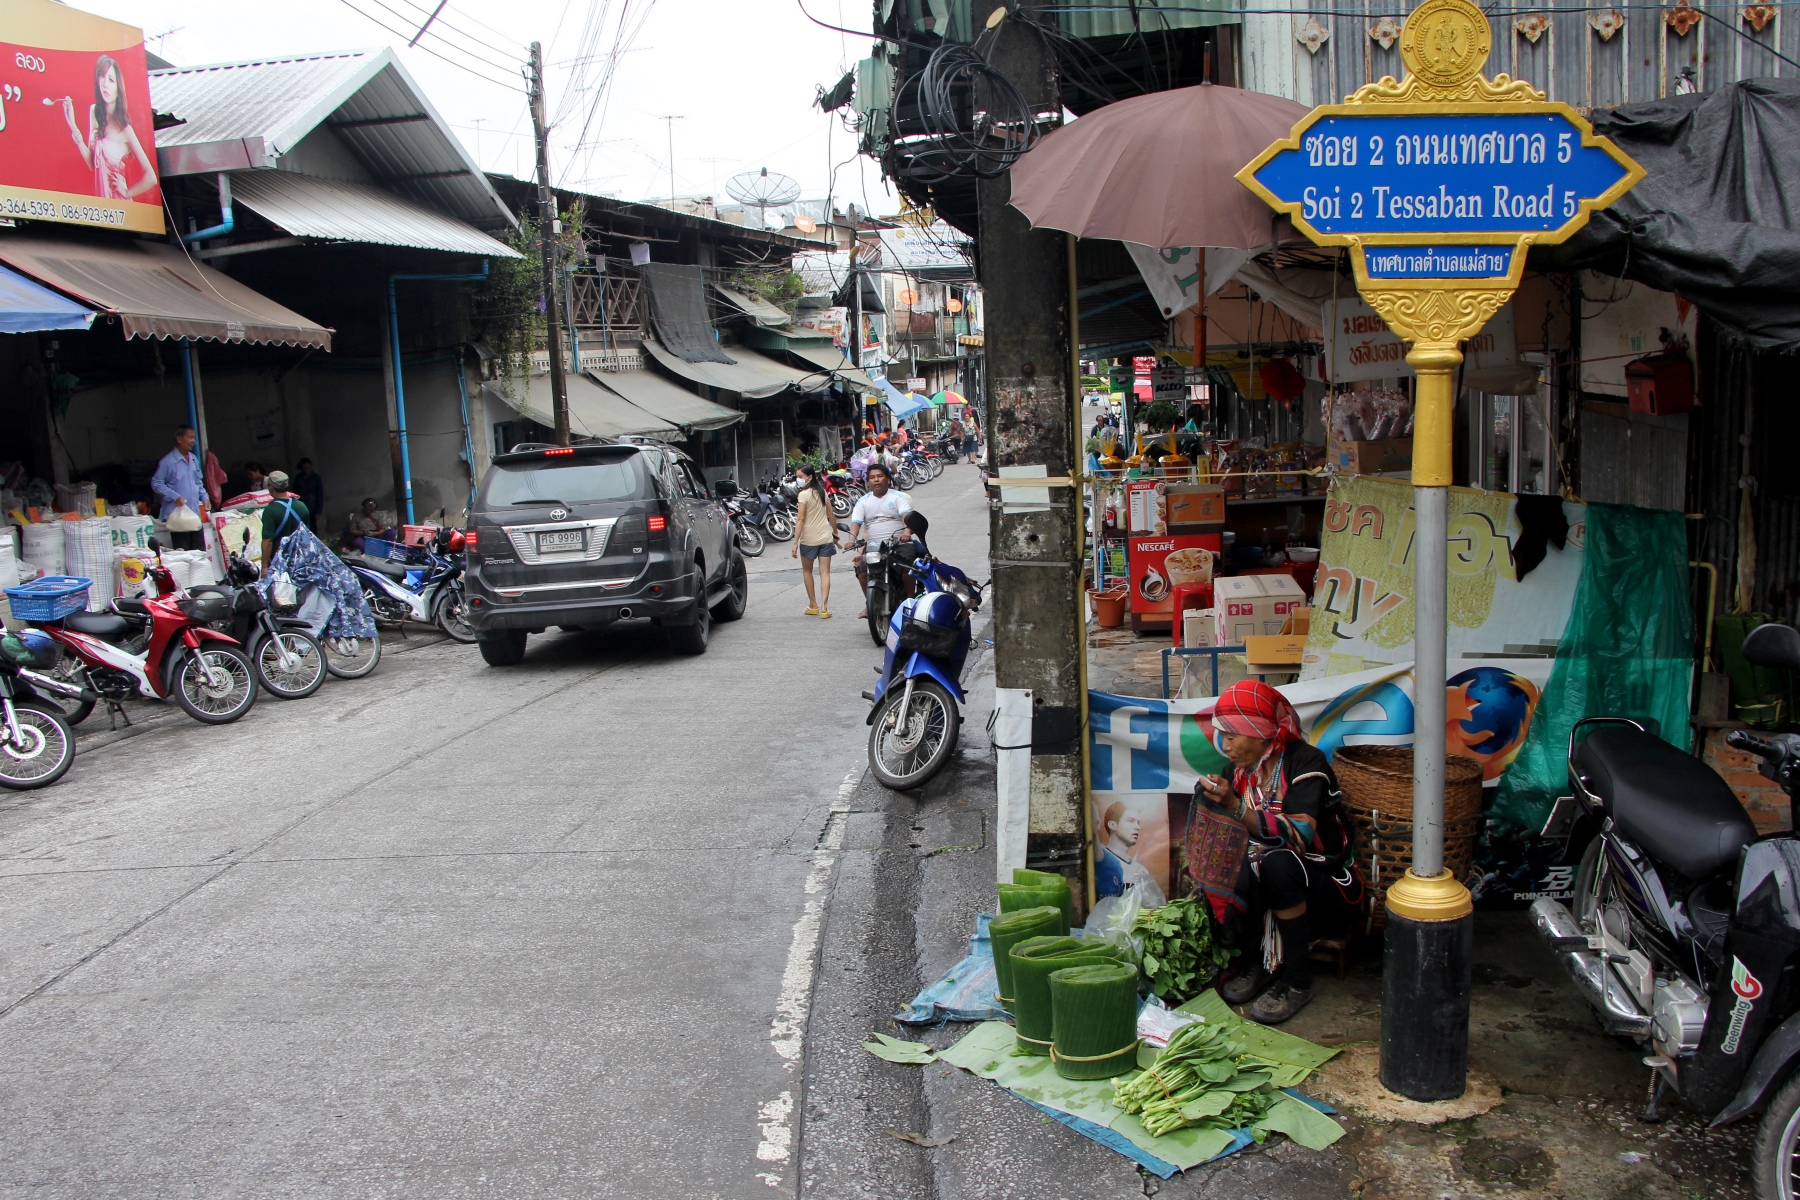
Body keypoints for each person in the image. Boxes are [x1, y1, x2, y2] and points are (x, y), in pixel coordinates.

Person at [1190, 679, 1362, 1024]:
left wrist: (1237, 808)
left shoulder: (1305, 762)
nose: (1226, 746)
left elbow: (1298, 834)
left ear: (1261, 732)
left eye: (1232, 736)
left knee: (1277, 863)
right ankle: (1260, 961)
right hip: (1271, 890)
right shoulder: (1236, 774)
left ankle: (1297, 979)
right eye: (1222, 736)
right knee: (1236, 861)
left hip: (1326, 889)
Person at [61, 55, 158, 201]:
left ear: (118, 89)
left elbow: (151, 177)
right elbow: (92, 163)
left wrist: (127, 192)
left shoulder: (125, 129)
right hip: (102, 206)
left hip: (119, 204)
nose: (105, 84)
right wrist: (73, 126)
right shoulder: (95, 112)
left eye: (111, 80)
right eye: (101, 76)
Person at [844, 462, 912, 621]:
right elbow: (856, 524)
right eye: (872, 477)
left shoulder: (898, 497)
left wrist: (907, 531)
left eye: (880, 476)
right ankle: (871, 602)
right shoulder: (863, 501)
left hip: (898, 543)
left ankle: (910, 600)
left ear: (888, 479)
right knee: (861, 570)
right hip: (874, 546)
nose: (876, 480)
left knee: (908, 566)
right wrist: (851, 540)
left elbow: (906, 518)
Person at [790, 464, 837, 618]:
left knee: (807, 571)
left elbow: (800, 519)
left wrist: (795, 542)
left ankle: (813, 604)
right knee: (825, 573)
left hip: (808, 539)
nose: (798, 480)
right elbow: (831, 514)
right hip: (825, 537)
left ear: (809, 477)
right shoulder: (822, 492)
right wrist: (835, 533)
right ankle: (824, 607)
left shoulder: (803, 495)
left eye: (800, 477)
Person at [150, 425, 207, 550]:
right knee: (184, 553)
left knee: (200, 552)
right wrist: (174, 496)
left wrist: (204, 497)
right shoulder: (168, 462)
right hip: (178, 517)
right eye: (190, 437)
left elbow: (198, 482)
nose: (193, 441)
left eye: (194, 438)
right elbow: (156, 483)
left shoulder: (193, 459)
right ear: (179, 439)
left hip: (193, 514)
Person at [259, 472, 311, 566]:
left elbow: (268, 541)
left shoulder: (270, 511)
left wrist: (264, 567)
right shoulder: (302, 506)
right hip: (300, 561)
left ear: (270, 488)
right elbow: (307, 536)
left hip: (279, 563)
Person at [292, 458, 325, 531]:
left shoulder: (316, 478)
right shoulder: (298, 478)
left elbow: (320, 494)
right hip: (301, 505)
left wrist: (318, 511)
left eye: (308, 468)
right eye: (304, 468)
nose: (307, 470)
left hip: (311, 507)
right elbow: (294, 493)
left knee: (312, 526)